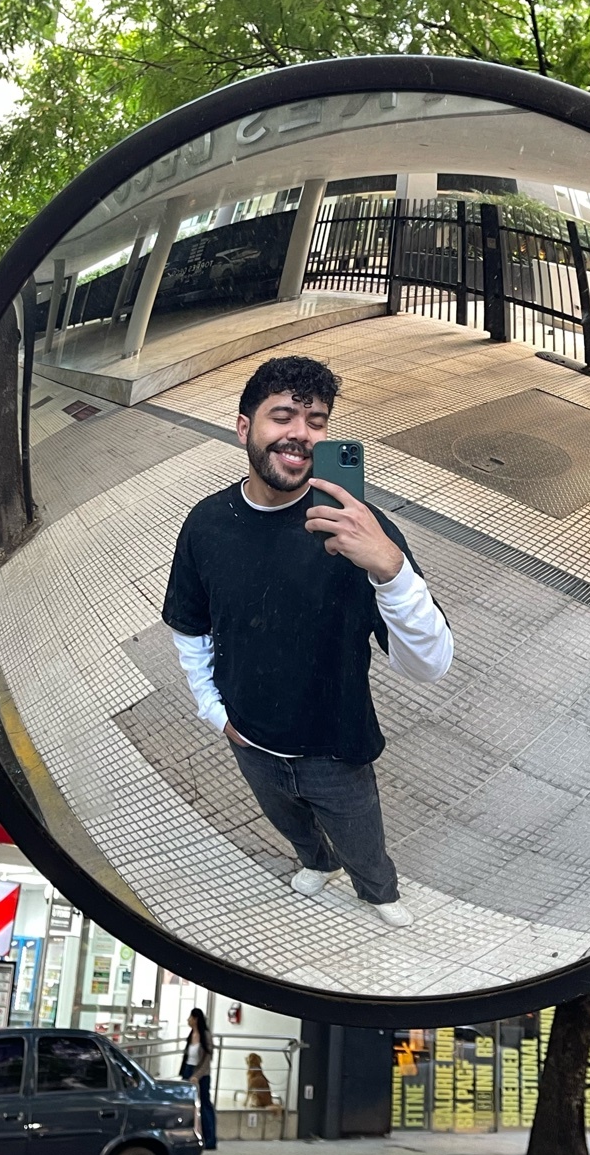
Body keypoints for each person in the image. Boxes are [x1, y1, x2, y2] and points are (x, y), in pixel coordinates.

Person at [163, 354, 453, 930]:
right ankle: (316, 862)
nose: (300, 433)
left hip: (336, 748)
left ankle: (378, 891)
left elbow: (431, 666)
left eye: (316, 421)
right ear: (244, 428)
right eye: (283, 417)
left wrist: (391, 570)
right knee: (293, 827)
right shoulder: (206, 523)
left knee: (363, 840)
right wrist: (215, 713)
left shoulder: (359, 529)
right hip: (249, 738)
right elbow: (190, 625)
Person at [180, 1007, 217, 1150]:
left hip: (201, 1074)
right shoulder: (191, 1035)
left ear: (195, 1019)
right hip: (188, 1070)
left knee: (205, 1105)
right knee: (188, 1105)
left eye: (190, 1017)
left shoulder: (205, 1036)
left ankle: (210, 1139)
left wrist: (197, 1076)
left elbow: (207, 1060)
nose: (188, 1020)